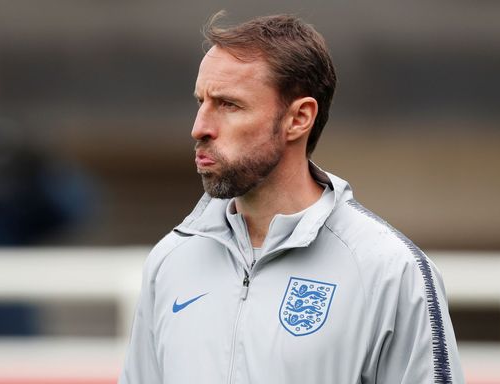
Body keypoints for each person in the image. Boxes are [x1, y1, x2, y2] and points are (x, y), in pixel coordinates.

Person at [120, 12, 464, 384]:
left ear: (299, 118)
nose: (199, 127)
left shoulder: (389, 270)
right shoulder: (171, 260)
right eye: (201, 102)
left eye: (228, 105)